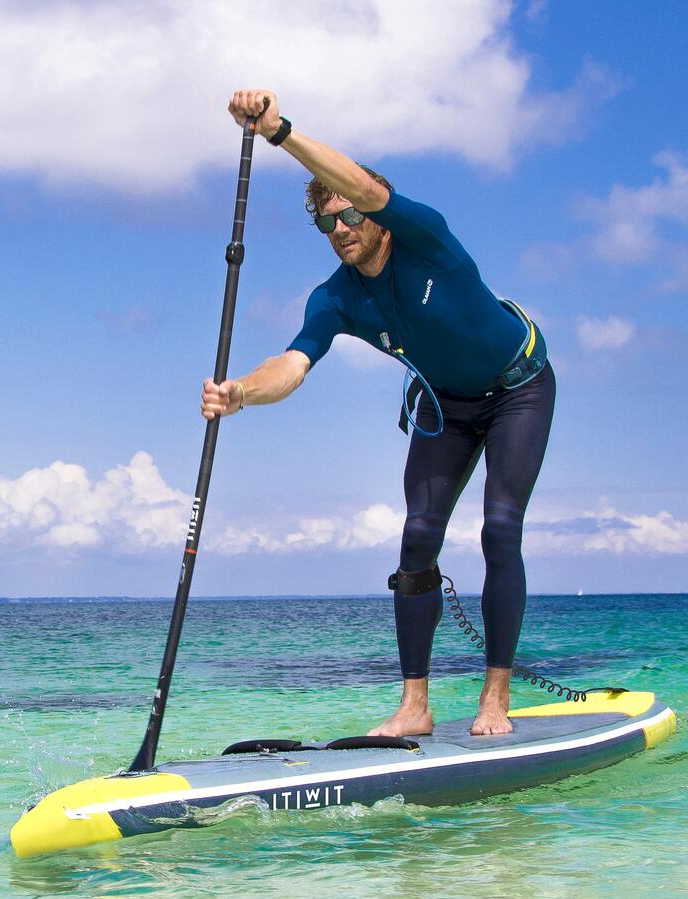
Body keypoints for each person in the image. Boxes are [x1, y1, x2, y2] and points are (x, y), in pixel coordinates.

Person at [202, 90, 554, 737]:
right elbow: (295, 362)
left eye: (350, 216)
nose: (341, 231)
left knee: (500, 529)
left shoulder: (424, 235)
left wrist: (278, 132)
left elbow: (362, 185)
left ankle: (495, 699)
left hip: (519, 387)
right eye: (326, 224)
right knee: (418, 537)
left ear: (375, 216)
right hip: (445, 406)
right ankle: (415, 707)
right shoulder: (335, 298)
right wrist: (242, 392)